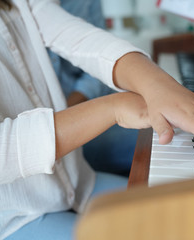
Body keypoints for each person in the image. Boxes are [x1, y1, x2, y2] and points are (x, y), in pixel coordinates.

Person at [0, 0, 194, 239]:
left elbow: (84, 41)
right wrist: (114, 107)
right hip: (16, 219)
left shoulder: (20, 3)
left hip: (80, 183)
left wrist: (159, 87)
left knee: (193, 214)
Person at [47, 0, 137, 176]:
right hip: (54, 139)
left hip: (91, 107)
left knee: (160, 131)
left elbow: (102, 55)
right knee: (156, 139)